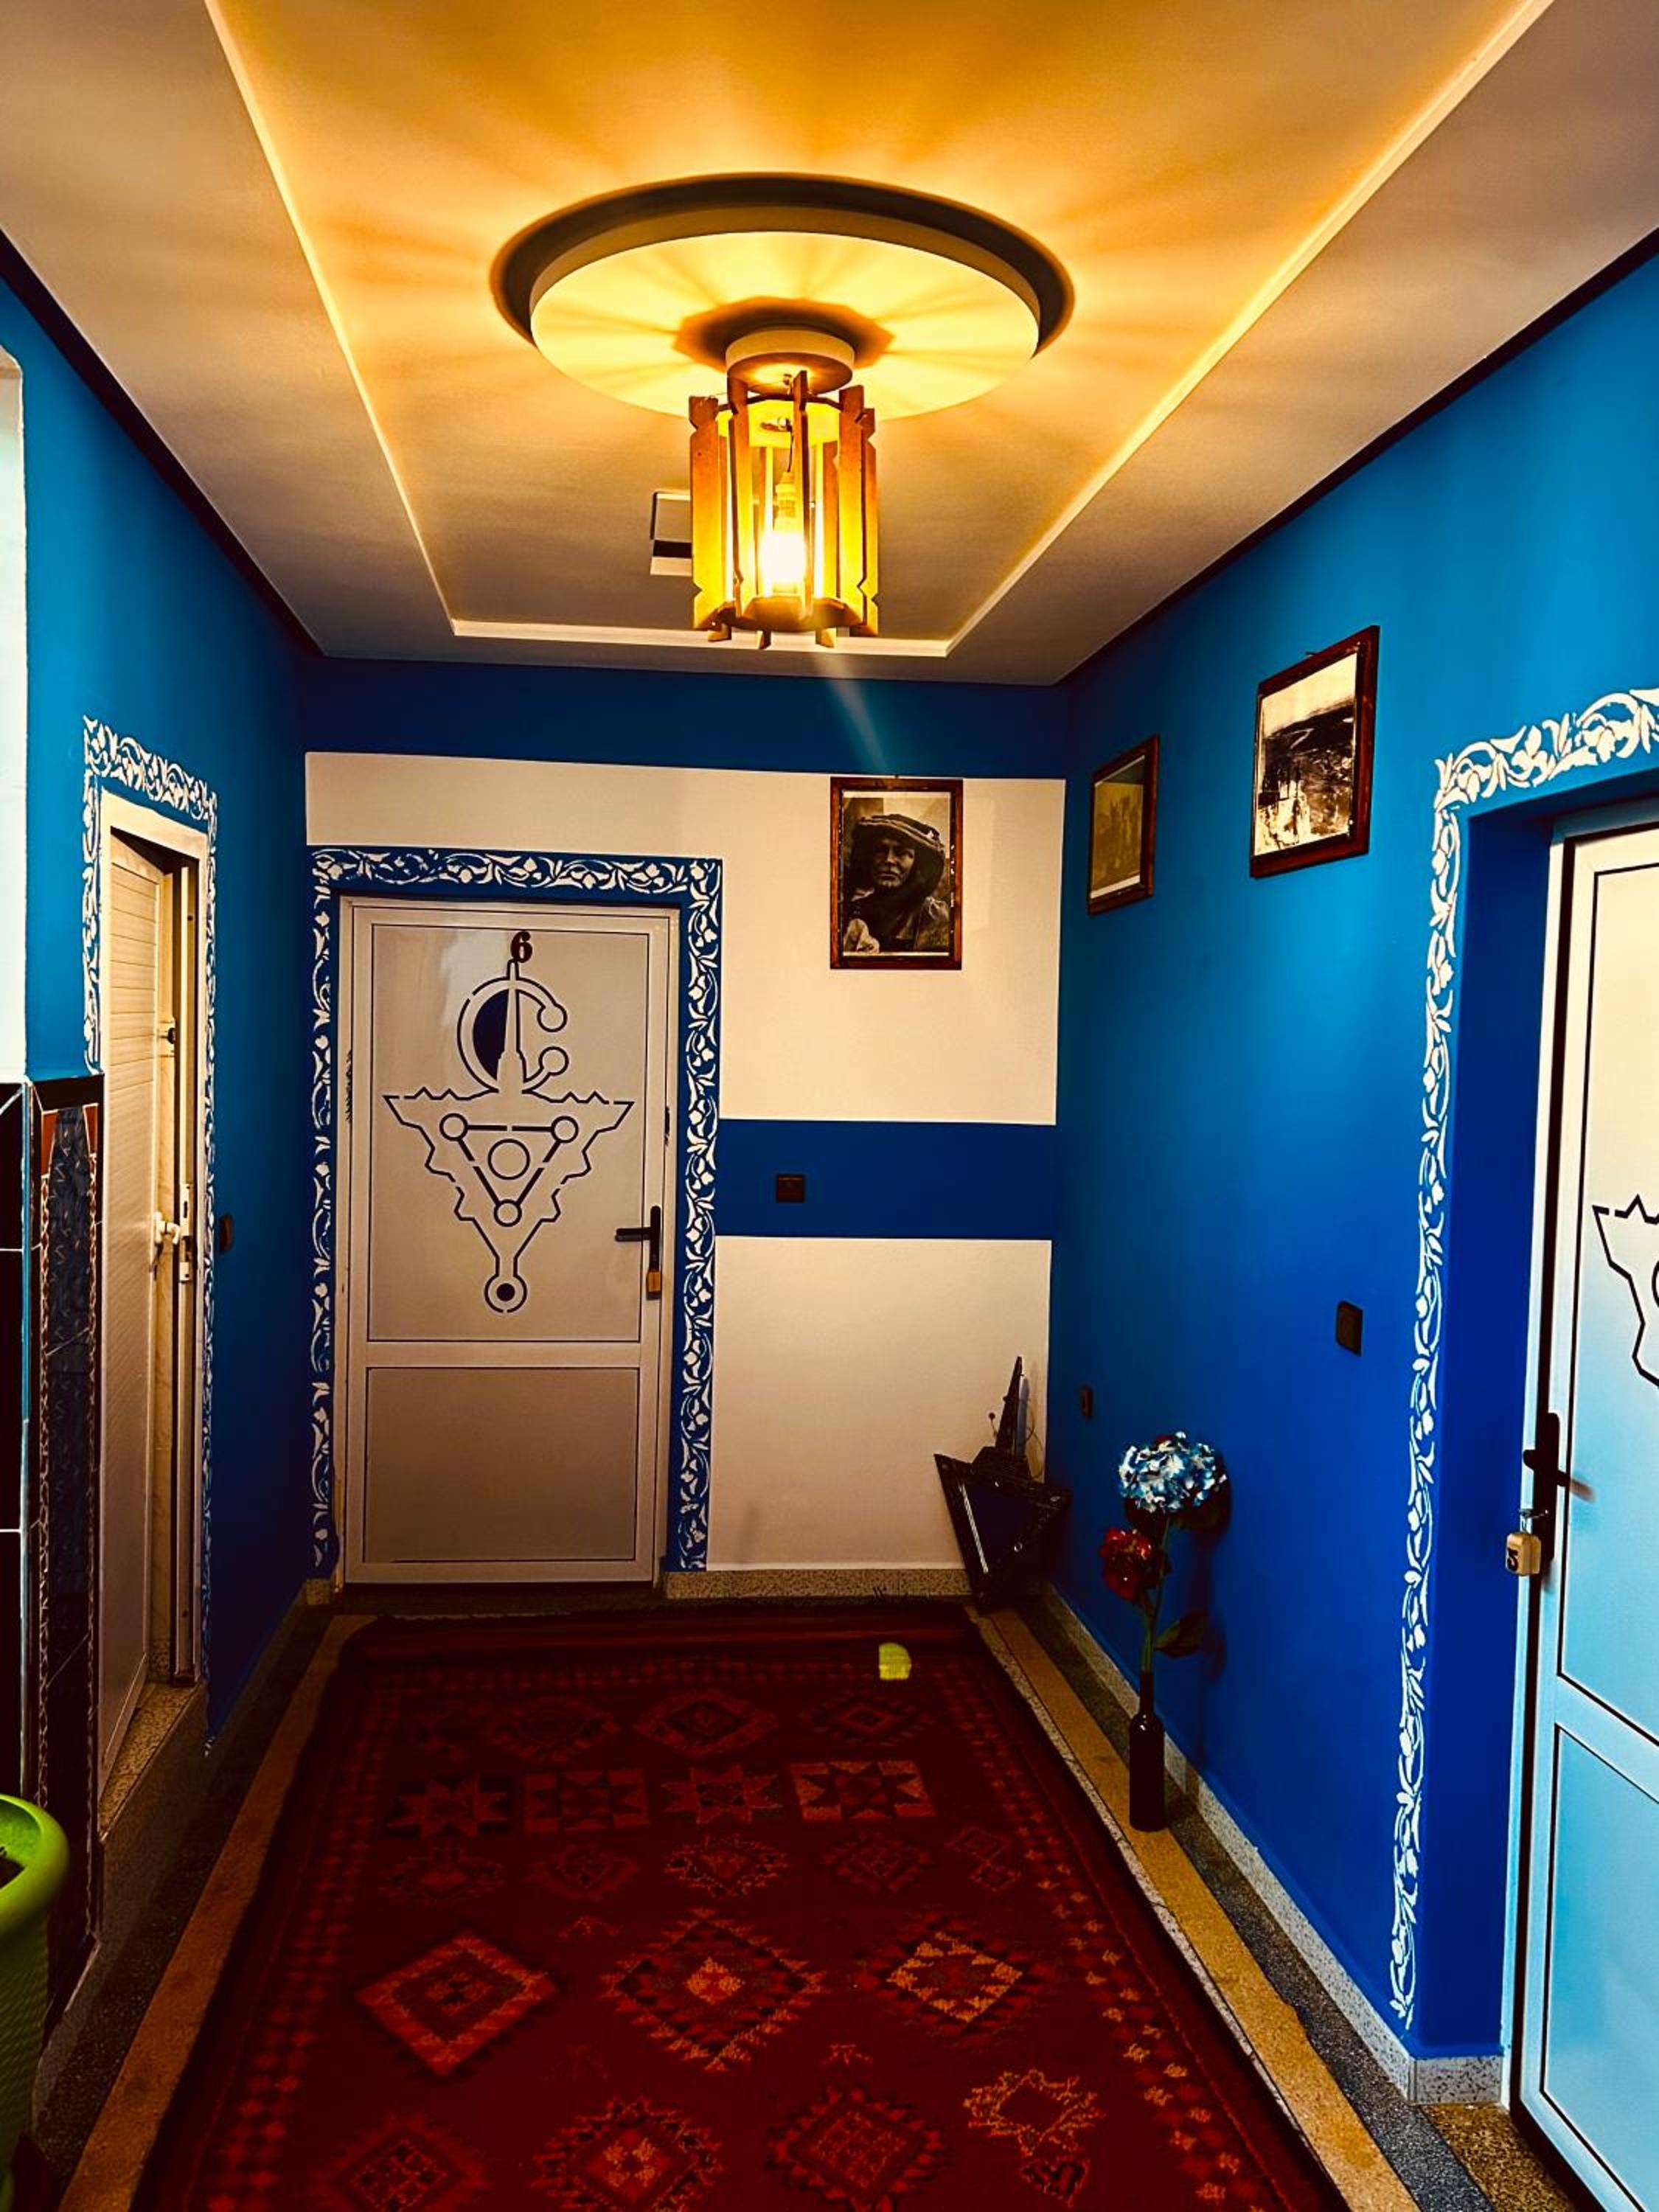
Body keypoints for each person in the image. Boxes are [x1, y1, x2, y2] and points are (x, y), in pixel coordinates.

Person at [840, 813, 953, 954]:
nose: (889, 860)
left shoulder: (933, 915)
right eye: (880, 851)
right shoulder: (851, 912)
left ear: (916, 864)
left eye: (901, 852)